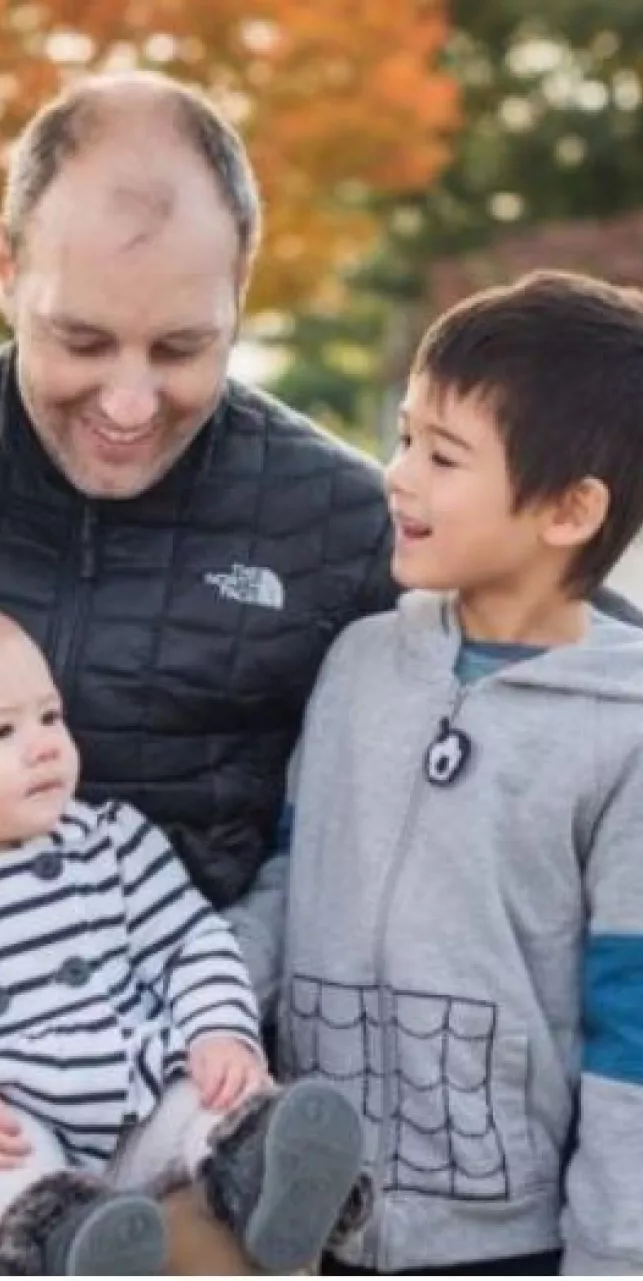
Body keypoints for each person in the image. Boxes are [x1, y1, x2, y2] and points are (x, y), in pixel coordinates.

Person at [0, 69, 394, 1273]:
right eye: (80, 340)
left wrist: (224, 1022)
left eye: (182, 348)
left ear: (242, 285)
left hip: (183, 1065)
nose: (128, 400)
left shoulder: (337, 523)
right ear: (6, 265)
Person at [0, 589, 370, 1274]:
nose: (44, 745)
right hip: (10, 1113)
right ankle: (73, 1238)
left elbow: (190, 943)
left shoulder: (108, 840)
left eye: (49, 715)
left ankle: (260, 1171)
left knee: (210, 1100)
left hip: (137, 1086)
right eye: (1, 732)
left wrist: (218, 1030)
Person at [278, 271, 643, 1274]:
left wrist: (612, 1259)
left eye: (443, 456)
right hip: (303, 1224)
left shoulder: (625, 729)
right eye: (403, 437)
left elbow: (633, 1029)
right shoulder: (358, 661)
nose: (398, 476)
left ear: (568, 509)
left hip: (504, 1246)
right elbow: (284, 876)